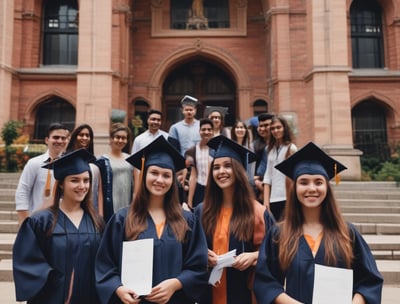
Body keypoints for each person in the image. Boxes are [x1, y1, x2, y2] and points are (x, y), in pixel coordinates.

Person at [254, 142, 383, 304]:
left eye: (318, 182)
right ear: (294, 188)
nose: (312, 188)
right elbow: (265, 281)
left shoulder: (346, 232)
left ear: (327, 188)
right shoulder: (279, 234)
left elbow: (369, 280)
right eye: (304, 182)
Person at [95, 136, 209, 304]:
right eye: (154, 173)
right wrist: (118, 289)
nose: (159, 180)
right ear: (144, 174)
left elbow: (199, 265)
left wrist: (176, 284)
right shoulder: (122, 219)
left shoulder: (187, 221)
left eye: (166, 175)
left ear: (172, 180)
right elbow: (105, 264)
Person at [13, 148, 104, 303]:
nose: (82, 186)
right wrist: (59, 282)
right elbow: (27, 262)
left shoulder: (96, 222)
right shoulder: (40, 221)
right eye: (74, 180)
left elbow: (105, 264)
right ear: (61, 184)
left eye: (86, 180)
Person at [195, 135, 275, 304]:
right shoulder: (202, 211)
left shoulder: (258, 212)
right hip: (207, 294)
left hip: (243, 294)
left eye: (227, 166)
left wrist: (254, 256)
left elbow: (276, 252)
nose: (221, 171)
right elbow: (188, 250)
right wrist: (202, 254)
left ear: (238, 170)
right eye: (216, 167)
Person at [15, 122, 69, 225]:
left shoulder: (69, 164)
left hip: (63, 222)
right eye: (56, 137)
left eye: (63, 138)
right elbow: (23, 190)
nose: (60, 141)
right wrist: (24, 219)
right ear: (47, 140)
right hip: (37, 220)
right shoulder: (34, 163)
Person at [96, 123, 134, 222]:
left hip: (127, 205)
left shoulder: (130, 159)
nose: (121, 140)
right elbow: (99, 190)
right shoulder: (102, 161)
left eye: (124, 138)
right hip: (110, 208)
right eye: (117, 137)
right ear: (111, 139)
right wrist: (100, 213)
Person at [263, 115, 297, 220]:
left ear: (284, 128)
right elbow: (268, 176)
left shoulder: (291, 148)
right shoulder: (270, 150)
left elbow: (294, 175)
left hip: (287, 197)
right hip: (273, 198)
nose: (275, 130)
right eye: (272, 128)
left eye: (278, 127)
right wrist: (266, 201)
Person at [66, 123, 103, 214]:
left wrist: (100, 214)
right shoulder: (66, 160)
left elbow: (99, 190)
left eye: (87, 135)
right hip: (70, 208)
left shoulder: (94, 162)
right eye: (81, 135)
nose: (85, 138)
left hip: (91, 208)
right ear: (75, 137)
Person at [131, 109, 169, 196]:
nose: (155, 122)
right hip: (144, 178)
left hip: (161, 178)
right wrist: (137, 188)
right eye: (153, 119)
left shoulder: (167, 138)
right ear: (148, 120)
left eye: (158, 120)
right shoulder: (139, 139)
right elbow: (135, 164)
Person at [184, 118, 214, 209]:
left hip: (214, 189)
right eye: (203, 129)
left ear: (212, 131)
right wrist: (189, 201)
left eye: (209, 129)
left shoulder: (217, 149)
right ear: (199, 131)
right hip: (199, 188)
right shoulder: (192, 151)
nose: (206, 132)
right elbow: (193, 176)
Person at [252, 113, 274, 202]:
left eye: (266, 125)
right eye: (260, 126)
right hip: (258, 188)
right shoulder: (254, 146)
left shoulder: (279, 146)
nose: (262, 129)